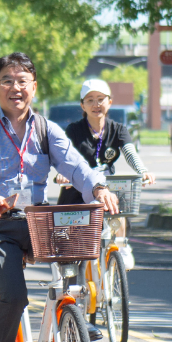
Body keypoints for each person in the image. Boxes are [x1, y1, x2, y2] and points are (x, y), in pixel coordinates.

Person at [0, 52, 118, 342]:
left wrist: (99, 189)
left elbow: (77, 166)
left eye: (22, 81)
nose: (14, 88)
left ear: (33, 87)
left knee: (77, 239)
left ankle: (73, 319)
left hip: (37, 221)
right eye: (6, 80)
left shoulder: (47, 129)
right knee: (14, 296)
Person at [55, 79, 156, 270]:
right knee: (69, 252)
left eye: (101, 99)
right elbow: (64, 157)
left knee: (118, 204)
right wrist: (63, 174)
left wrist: (142, 171)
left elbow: (130, 153)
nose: (96, 104)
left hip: (106, 187)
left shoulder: (118, 129)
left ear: (110, 102)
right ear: (82, 105)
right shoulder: (74, 130)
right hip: (78, 187)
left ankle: (122, 247)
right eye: (90, 100)